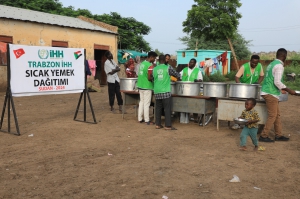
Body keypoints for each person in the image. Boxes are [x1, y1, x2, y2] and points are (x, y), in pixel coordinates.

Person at [259, 48, 296, 142]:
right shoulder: (279, 66)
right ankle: (263, 136)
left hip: (269, 91)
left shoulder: (271, 64)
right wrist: (289, 90)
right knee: (273, 115)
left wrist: (281, 90)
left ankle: (278, 135)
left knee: (277, 114)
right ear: (284, 56)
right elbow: (277, 82)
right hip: (270, 93)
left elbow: (271, 79)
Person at [153, 55, 180, 130]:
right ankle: (168, 125)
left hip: (157, 91)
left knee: (158, 108)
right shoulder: (168, 67)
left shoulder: (154, 69)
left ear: (158, 61)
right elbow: (177, 74)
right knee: (167, 108)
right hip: (165, 91)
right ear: (165, 60)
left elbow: (152, 78)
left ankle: (158, 124)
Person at [137, 51, 157, 125]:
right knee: (146, 104)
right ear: (151, 57)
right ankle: (147, 120)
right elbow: (149, 78)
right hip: (147, 86)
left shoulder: (142, 64)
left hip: (140, 86)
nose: (154, 60)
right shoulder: (150, 65)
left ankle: (139, 118)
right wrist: (154, 79)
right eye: (154, 58)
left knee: (141, 102)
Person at [180, 58, 203, 123]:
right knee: (184, 103)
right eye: (190, 62)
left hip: (193, 90)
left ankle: (195, 117)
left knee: (194, 103)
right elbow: (179, 75)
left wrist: (197, 80)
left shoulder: (197, 70)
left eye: (192, 62)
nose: (190, 63)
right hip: (184, 89)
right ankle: (184, 117)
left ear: (195, 64)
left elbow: (201, 80)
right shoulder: (184, 69)